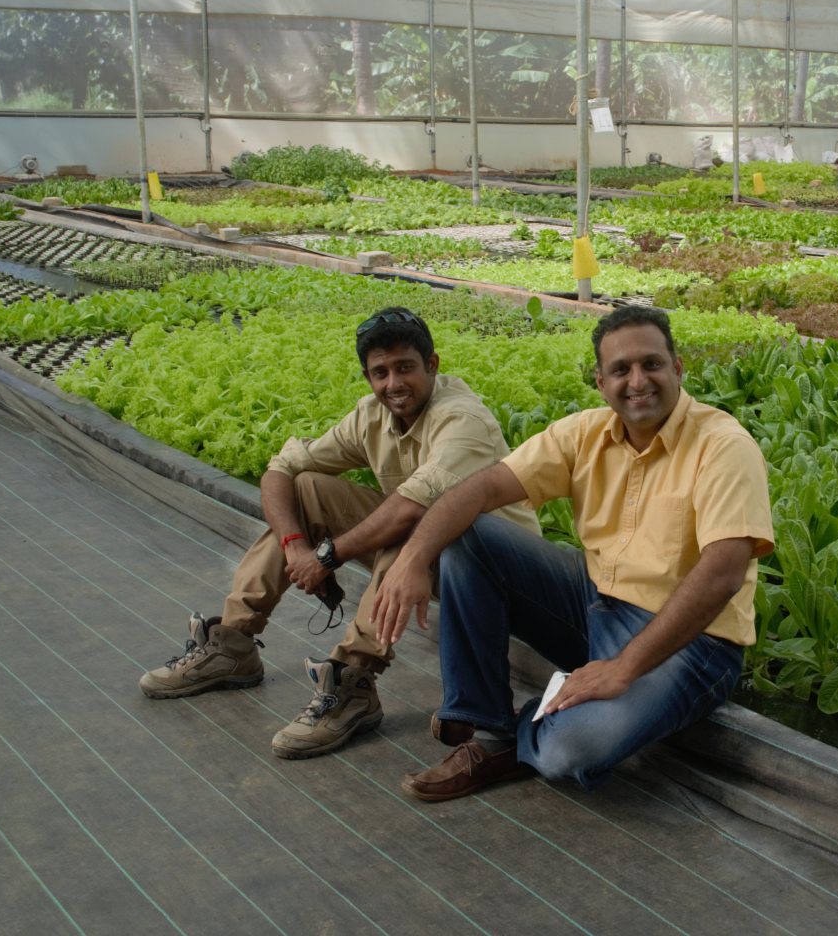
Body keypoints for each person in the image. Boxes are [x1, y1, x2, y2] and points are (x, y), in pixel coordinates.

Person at [369, 305, 775, 801]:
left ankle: (519, 737)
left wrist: (622, 668)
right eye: (621, 370)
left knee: (569, 752)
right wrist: (412, 559)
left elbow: (723, 574)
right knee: (468, 537)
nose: (638, 381)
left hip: (695, 644)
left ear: (677, 368)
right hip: (596, 602)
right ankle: (484, 717)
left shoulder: (722, 445)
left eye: (651, 364)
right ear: (602, 384)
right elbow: (477, 490)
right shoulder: (584, 433)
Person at [137, 306, 540, 760]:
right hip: (428, 548)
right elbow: (281, 469)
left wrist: (326, 557)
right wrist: (295, 549)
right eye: (380, 372)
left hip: (495, 572)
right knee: (306, 487)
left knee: (407, 524)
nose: (393, 384)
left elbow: (410, 511)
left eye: (405, 367)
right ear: (368, 376)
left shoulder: (461, 419)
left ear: (432, 364)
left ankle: (353, 679)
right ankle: (232, 643)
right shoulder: (371, 416)